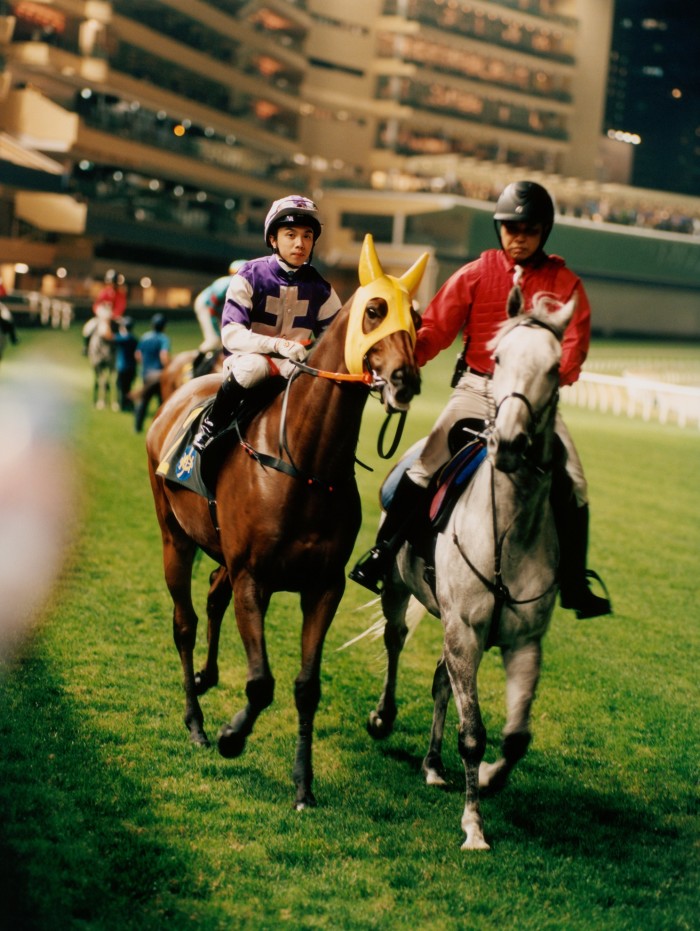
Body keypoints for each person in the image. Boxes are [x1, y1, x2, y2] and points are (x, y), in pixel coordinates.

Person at [349, 180, 612, 620]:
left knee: (575, 482)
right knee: (424, 466)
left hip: (532, 402)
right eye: (510, 228)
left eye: (528, 229)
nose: (519, 237)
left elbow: (574, 349)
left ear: (543, 231)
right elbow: (435, 329)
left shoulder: (565, 283)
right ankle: (382, 555)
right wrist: (402, 364)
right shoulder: (474, 273)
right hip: (476, 390)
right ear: (499, 230)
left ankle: (573, 583)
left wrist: (543, 384)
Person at [192, 195, 342, 452]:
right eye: (291, 235)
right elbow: (231, 335)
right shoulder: (250, 274)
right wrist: (279, 345)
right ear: (273, 239)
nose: (300, 243)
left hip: (294, 364)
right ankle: (211, 426)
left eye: (307, 236)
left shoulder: (321, 288)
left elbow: (337, 336)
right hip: (248, 359)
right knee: (253, 367)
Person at [193, 260, 245, 356]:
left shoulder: (234, 283)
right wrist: (217, 330)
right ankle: (195, 366)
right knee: (213, 340)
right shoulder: (227, 284)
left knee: (225, 340)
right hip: (205, 305)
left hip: (211, 307)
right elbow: (211, 307)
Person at [133, 313, 171, 433]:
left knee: (144, 402)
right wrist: (168, 366)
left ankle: (137, 428)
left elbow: (137, 355)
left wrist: (145, 365)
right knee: (162, 404)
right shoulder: (163, 338)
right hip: (159, 376)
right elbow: (163, 356)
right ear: (164, 326)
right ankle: (160, 429)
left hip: (146, 375)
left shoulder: (145, 337)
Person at [112, 316, 138, 412]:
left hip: (122, 367)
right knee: (128, 387)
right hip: (132, 367)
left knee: (121, 387)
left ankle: (123, 405)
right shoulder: (134, 339)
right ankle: (128, 404)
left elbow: (110, 337)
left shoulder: (123, 339)